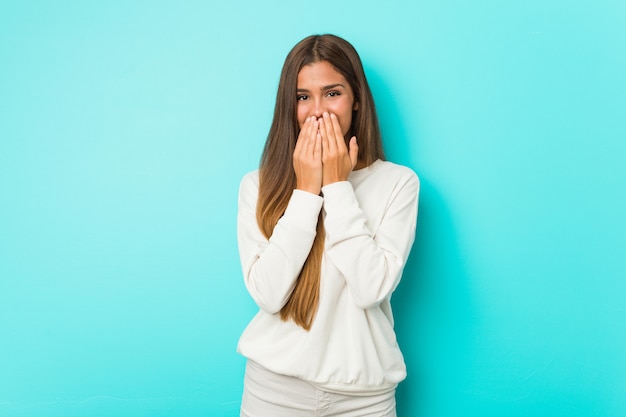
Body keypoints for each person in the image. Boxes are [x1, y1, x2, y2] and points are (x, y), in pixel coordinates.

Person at [237, 34, 420, 417]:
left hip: (364, 398)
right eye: (303, 97)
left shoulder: (398, 183)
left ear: (357, 99)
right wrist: (306, 190)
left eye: (332, 93)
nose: (317, 111)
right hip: (274, 392)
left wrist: (337, 185)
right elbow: (268, 295)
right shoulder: (257, 185)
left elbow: (371, 288)